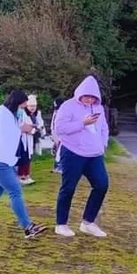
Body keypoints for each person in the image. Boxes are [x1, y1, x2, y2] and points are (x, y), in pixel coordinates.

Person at [0, 90, 48, 240]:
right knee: (15, 191)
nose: (24, 108)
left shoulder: (9, 114)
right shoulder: (3, 115)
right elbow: (13, 132)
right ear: (17, 102)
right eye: (23, 105)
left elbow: (21, 126)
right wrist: (28, 130)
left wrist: (34, 129)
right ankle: (28, 226)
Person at [53, 76, 110, 238]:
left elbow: (103, 128)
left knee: (101, 185)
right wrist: (82, 123)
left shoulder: (98, 109)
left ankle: (88, 222)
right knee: (68, 188)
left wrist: (103, 144)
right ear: (80, 94)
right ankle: (61, 224)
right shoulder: (68, 106)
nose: (89, 99)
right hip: (72, 152)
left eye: (93, 97)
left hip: (94, 155)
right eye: (87, 96)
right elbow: (60, 128)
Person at [16, 95, 45, 185]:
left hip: (32, 138)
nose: (33, 108)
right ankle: (20, 176)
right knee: (23, 157)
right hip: (24, 138)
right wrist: (32, 128)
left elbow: (40, 123)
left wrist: (39, 128)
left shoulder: (37, 113)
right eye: (31, 106)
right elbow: (22, 125)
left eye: (34, 106)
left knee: (29, 157)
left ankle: (27, 175)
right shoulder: (22, 113)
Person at [50, 97, 66, 174]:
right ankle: (58, 167)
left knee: (59, 151)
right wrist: (54, 135)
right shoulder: (57, 112)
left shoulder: (59, 112)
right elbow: (53, 124)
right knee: (58, 151)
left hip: (59, 134)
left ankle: (58, 167)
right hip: (57, 134)